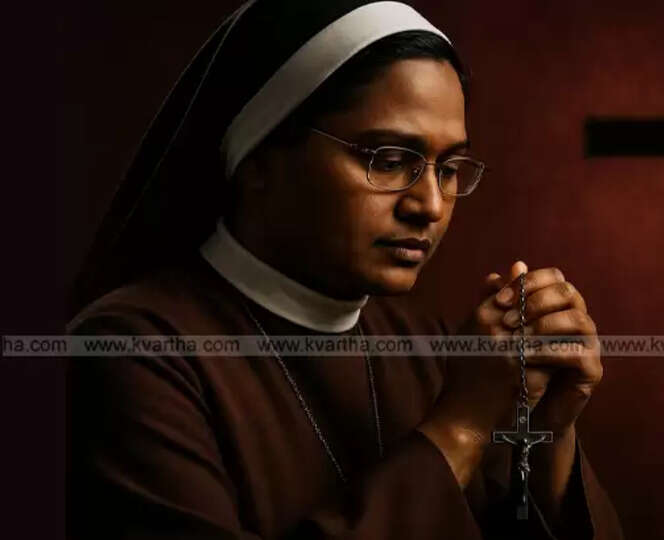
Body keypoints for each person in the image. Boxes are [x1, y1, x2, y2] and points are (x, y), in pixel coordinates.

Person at [67, 1, 624, 538]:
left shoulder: (425, 346)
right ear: (259, 161)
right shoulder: (128, 353)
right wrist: (462, 427)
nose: (429, 204)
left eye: (449, 167)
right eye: (387, 159)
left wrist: (548, 434)